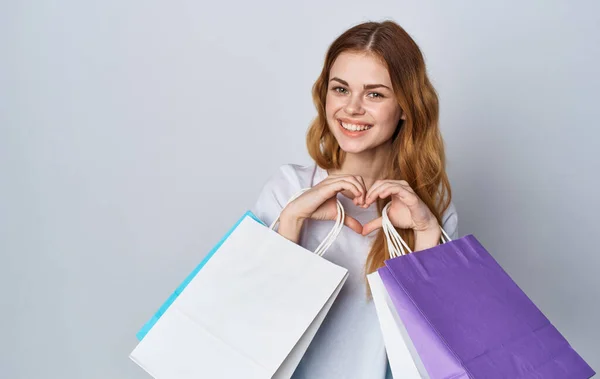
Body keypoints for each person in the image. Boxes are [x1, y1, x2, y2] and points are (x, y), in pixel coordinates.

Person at [251, 20, 458, 379]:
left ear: (406, 106)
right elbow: (252, 319)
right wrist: (292, 221)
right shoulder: (287, 188)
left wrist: (426, 231)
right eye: (341, 89)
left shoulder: (430, 208)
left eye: (375, 94)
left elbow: (436, 348)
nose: (352, 108)